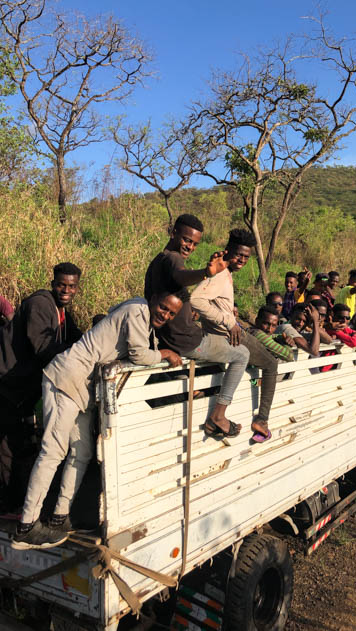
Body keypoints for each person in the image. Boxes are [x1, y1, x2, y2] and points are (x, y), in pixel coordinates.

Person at [12, 291, 186, 551]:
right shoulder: (138, 310)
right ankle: (26, 526)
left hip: (85, 387)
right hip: (67, 379)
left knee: (81, 452)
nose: (165, 314)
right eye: (163, 307)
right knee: (53, 452)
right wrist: (165, 353)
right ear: (154, 299)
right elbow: (140, 355)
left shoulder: (140, 313)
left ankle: (60, 516)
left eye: (171, 313)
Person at [145, 214, 250, 438]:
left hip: (175, 337)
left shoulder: (157, 261)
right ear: (173, 234)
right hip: (189, 340)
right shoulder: (172, 260)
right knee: (242, 354)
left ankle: (204, 393)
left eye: (194, 243)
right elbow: (181, 276)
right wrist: (206, 273)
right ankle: (219, 416)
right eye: (186, 240)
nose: (190, 247)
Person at [0, 263, 82, 512]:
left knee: (20, 442)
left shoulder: (62, 313)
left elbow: (79, 340)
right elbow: (42, 347)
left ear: (77, 288)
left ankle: (15, 499)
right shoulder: (40, 304)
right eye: (61, 285)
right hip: (6, 383)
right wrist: (79, 355)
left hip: (21, 389)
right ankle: (8, 506)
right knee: (7, 445)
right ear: (52, 283)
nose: (65, 290)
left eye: (71, 286)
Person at [191, 229, 278, 443]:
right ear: (228, 251)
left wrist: (229, 312)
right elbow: (196, 300)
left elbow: (212, 302)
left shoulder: (225, 273)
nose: (242, 260)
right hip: (229, 335)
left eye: (247, 257)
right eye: (239, 254)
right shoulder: (221, 274)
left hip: (222, 333)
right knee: (271, 364)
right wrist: (229, 321)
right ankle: (262, 420)